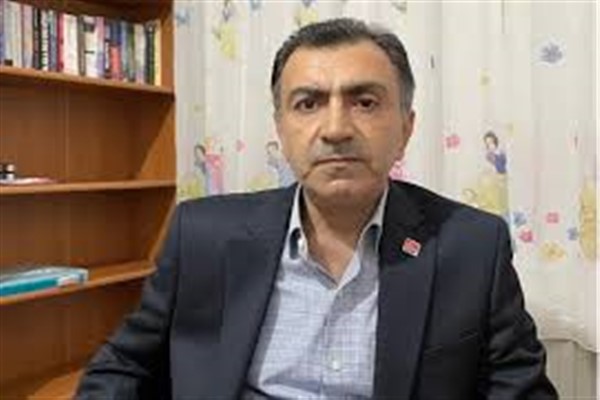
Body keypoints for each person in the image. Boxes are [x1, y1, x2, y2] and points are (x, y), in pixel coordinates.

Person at [76, 18, 557, 399]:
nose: (335, 129)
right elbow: (123, 367)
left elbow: (520, 389)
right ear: (280, 129)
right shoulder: (201, 233)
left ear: (406, 128)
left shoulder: (472, 246)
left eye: (365, 102)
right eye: (308, 104)